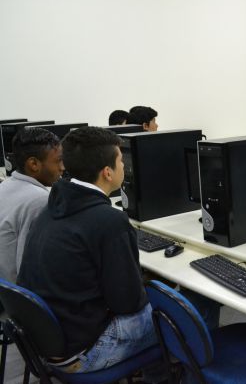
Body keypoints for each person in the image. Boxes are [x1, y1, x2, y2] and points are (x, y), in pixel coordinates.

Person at [17, 127, 162, 379]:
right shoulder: (109, 221)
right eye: (121, 161)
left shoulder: (52, 207)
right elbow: (128, 303)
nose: (124, 167)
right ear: (107, 172)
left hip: (47, 344)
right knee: (183, 313)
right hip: (85, 352)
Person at [0, 128, 64, 282]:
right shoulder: (39, 201)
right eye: (58, 161)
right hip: (16, 291)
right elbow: (28, 268)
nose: (63, 167)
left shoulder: (5, 185)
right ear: (34, 164)